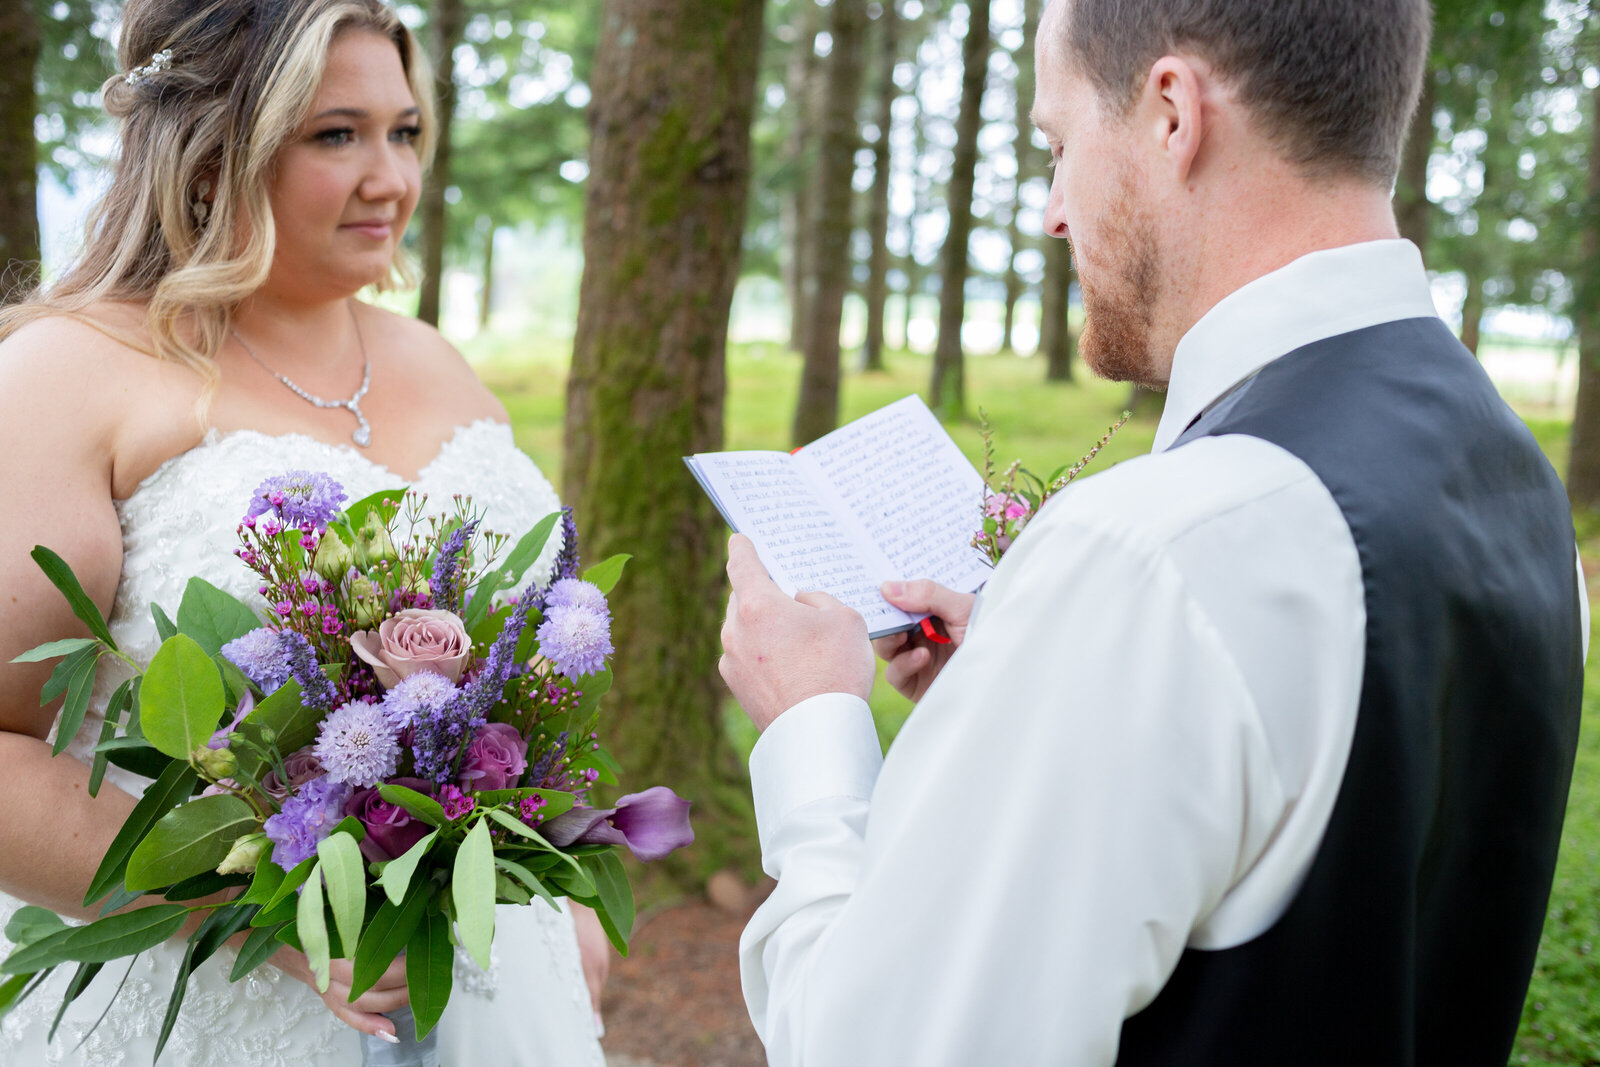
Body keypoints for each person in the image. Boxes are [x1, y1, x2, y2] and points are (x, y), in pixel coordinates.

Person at [718, 0, 1588, 1063]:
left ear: (1171, 113)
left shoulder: (1157, 552)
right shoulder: (1508, 473)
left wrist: (812, 725)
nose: (1050, 211)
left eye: (1057, 142)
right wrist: (1025, 689)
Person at [0, 2, 607, 1063]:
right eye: (337, 134)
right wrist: (274, 920)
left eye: (404, 131)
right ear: (207, 153)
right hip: (215, 1006)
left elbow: (521, 672)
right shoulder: (69, 372)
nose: (392, 178)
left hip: (501, 996)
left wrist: (568, 874)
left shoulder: (434, 361)